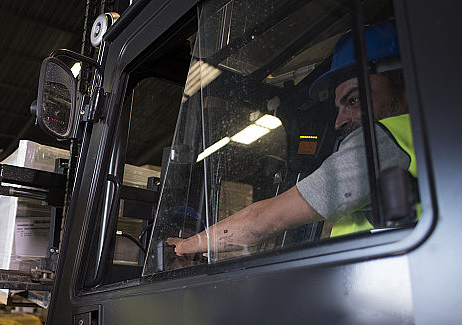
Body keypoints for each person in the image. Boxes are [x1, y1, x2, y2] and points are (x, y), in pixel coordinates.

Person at [167, 20, 414, 256]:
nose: (339, 122)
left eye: (354, 99)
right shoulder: (420, 141)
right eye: (339, 107)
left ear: (405, 81)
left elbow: (261, 223)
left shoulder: (380, 141)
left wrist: (186, 246)